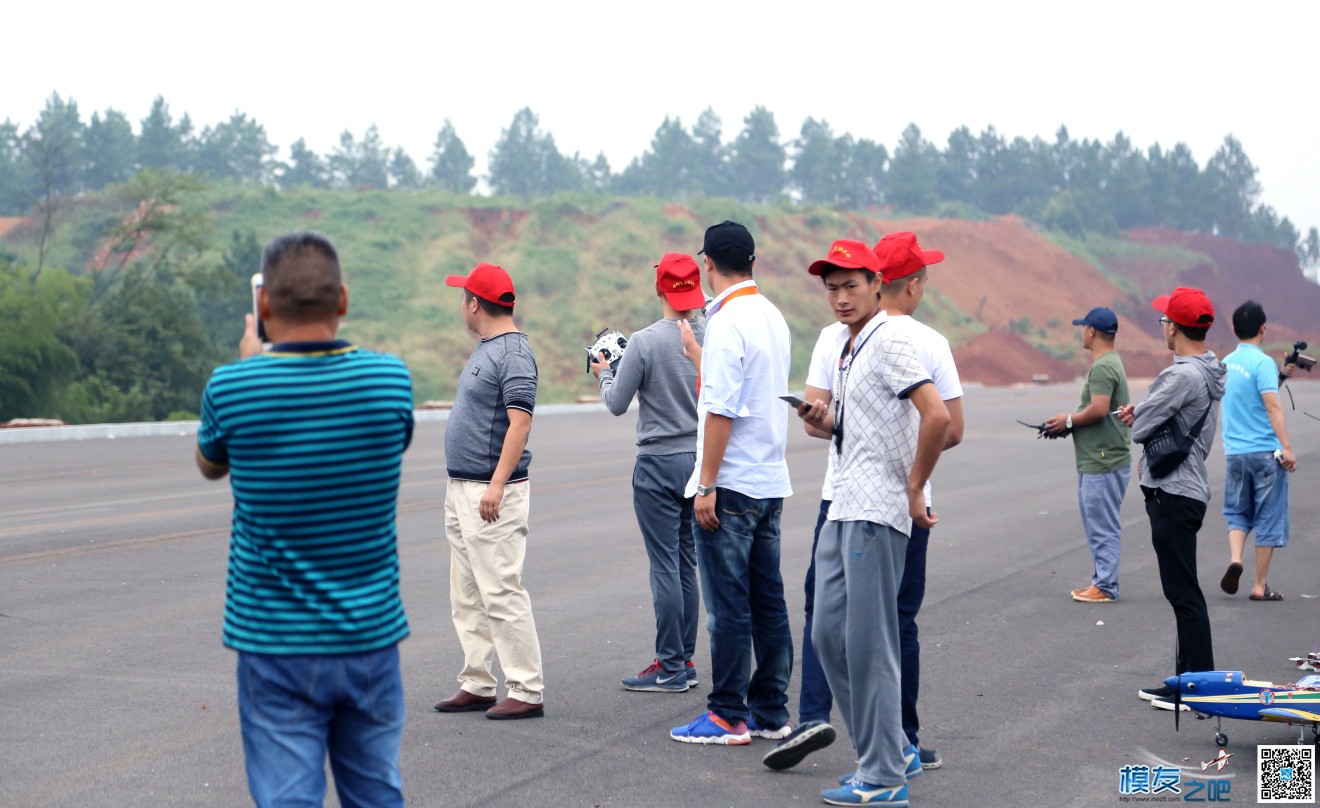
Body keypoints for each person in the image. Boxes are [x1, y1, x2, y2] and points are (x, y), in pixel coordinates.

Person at [196, 231, 414, 807]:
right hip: (370, 635)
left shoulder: (232, 386)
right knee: (375, 793)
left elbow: (210, 464)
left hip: (273, 641)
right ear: (341, 300)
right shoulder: (390, 380)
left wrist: (252, 367)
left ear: (263, 304)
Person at [764, 233, 963, 777]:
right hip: (844, 501)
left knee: (873, 638)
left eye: (851, 285)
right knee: (830, 632)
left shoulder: (894, 339)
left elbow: (942, 420)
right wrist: (827, 421)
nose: (840, 297)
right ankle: (887, 745)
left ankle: (884, 767)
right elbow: (866, 422)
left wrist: (916, 485)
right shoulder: (846, 342)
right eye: (832, 289)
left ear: (880, 284)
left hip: (879, 509)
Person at [668, 220, 795, 747]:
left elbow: (720, 408)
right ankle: (770, 710)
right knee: (768, 601)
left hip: (733, 482)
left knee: (728, 606)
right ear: (753, 262)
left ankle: (726, 714)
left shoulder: (725, 322)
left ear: (708, 265)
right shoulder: (772, 315)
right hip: (769, 479)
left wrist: (707, 484)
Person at [433, 262, 546, 720]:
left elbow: (520, 424)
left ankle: (527, 688)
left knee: (500, 590)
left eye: (463, 297)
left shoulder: (513, 354)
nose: (461, 303)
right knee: (467, 593)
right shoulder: (488, 348)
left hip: (490, 493)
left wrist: (496, 486)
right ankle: (478, 682)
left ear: (474, 303)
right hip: (463, 487)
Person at [590, 253, 706, 692]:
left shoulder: (643, 341)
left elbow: (617, 403)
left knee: (663, 565)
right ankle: (685, 658)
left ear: (658, 289)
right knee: (687, 562)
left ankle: (670, 664)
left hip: (657, 463)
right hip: (699, 461)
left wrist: (605, 374)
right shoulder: (711, 332)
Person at [1116, 287, 1226, 703]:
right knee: (1184, 591)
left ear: (1174, 328)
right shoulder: (1209, 370)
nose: (1162, 326)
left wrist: (1137, 416)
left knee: (1183, 593)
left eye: (1164, 320)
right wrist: (1143, 413)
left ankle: (1194, 686)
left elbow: (1142, 429)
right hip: (1189, 490)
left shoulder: (1180, 374)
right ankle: (1191, 681)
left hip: (1174, 491)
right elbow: (1158, 417)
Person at [1042, 307, 1132, 605]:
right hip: (1100, 455)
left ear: (1091, 331)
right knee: (1099, 522)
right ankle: (1101, 581)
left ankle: (1105, 585)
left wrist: (1068, 421)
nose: (1081, 331)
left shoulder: (1103, 366)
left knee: (1102, 523)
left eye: (1083, 327)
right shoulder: (1109, 362)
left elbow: (1098, 409)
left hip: (1102, 458)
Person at [1217, 300, 1298, 601]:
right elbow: (1271, 404)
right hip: (1265, 453)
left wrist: (1282, 375)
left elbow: (1247, 393)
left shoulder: (1225, 363)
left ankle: (1236, 558)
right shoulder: (1262, 362)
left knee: (1237, 512)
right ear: (1264, 328)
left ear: (1235, 329)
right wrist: (1287, 448)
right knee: (1267, 516)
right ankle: (1259, 585)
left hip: (1235, 453)